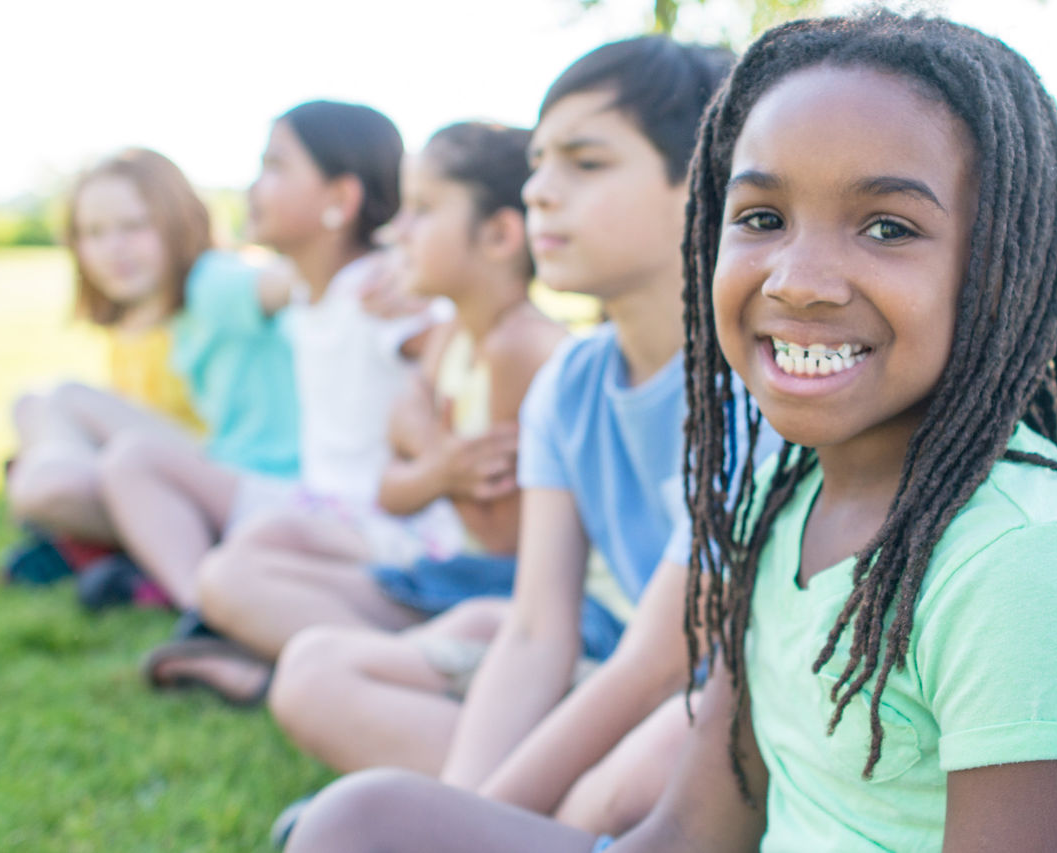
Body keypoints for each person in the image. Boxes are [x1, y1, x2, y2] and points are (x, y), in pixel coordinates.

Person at [282, 11, 1057, 852]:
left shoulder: (1029, 565)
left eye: (888, 226)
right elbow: (688, 832)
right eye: (762, 218)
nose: (798, 278)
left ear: (1002, 270)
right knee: (361, 818)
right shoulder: (774, 489)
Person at [265, 37, 783, 845]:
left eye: (585, 162)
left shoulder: (757, 387)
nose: (540, 190)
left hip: (721, 701)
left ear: (702, 182)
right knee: (329, 673)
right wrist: (459, 814)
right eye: (539, 161)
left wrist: (460, 827)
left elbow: (664, 658)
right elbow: (539, 626)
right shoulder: (571, 383)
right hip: (616, 675)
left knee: (633, 783)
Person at [142, 121, 567, 707]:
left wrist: (427, 459)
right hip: (420, 547)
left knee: (235, 576)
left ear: (499, 234)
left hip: (460, 571)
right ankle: (338, 660)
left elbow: (498, 536)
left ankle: (352, 668)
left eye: (421, 210)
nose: (398, 231)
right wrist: (435, 467)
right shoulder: (448, 338)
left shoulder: (481, 336)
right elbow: (399, 484)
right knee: (248, 557)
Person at [98, 101, 450, 619]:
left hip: (379, 529)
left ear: (340, 198)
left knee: (262, 544)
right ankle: (206, 611)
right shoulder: (310, 295)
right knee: (134, 460)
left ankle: (221, 612)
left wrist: (433, 290)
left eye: (275, 167)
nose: (253, 187)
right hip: (314, 506)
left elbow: (455, 349)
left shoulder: (379, 293)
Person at [3, 148, 300, 592]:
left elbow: (280, 283)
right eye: (93, 233)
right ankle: (104, 542)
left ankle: (99, 545)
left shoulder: (213, 286)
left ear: (179, 221)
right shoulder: (131, 321)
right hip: (162, 471)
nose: (113, 248)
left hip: (225, 476)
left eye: (134, 226)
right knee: (31, 405)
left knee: (56, 444)